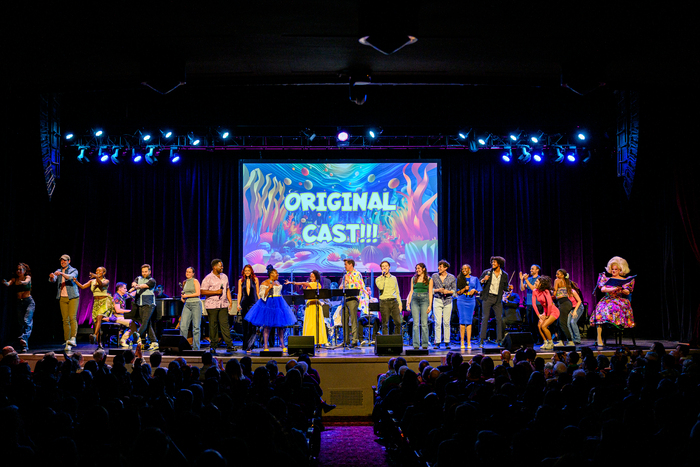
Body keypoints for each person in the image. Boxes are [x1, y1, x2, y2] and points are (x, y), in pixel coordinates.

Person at [245, 266, 296, 351]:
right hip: (269, 303)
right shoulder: (265, 283)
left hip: (279, 303)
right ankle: (265, 345)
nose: (278, 274)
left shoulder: (278, 282)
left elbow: (279, 293)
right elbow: (262, 295)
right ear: (271, 274)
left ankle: (282, 345)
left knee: (280, 326)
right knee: (267, 326)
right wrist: (269, 287)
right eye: (276, 273)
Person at [590, 256, 635, 347]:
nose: (614, 271)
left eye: (616, 269)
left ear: (620, 270)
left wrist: (621, 288)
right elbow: (603, 289)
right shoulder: (606, 279)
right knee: (600, 310)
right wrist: (614, 288)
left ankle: (618, 325)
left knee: (616, 307)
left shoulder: (624, 280)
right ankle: (599, 337)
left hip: (619, 300)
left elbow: (627, 292)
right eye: (612, 269)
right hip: (607, 299)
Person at [75, 267, 115, 349]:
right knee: (96, 323)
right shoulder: (91, 281)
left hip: (104, 302)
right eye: (96, 270)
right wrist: (75, 281)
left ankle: (93, 335)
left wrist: (96, 277)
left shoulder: (106, 281)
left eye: (100, 271)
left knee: (99, 317)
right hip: (96, 302)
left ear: (104, 273)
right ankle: (99, 343)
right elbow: (82, 287)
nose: (97, 272)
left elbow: (101, 285)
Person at [201, 259, 236, 353]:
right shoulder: (208, 278)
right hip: (212, 305)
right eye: (221, 266)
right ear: (214, 267)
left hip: (223, 304)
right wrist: (216, 292)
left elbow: (227, 289)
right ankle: (213, 345)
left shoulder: (224, 277)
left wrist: (230, 301)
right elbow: (202, 291)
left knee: (225, 324)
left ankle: (229, 345)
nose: (222, 267)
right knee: (213, 325)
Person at [286, 270, 328, 346]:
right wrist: (305, 288)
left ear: (316, 277)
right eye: (310, 276)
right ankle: (310, 341)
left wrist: (292, 282)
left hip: (315, 305)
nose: (311, 278)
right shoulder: (310, 284)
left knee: (316, 324)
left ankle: (319, 341)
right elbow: (307, 294)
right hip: (309, 305)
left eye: (313, 276)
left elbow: (303, 283)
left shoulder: (316, 284)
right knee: (309, 324)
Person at [49, 254, 80, 350]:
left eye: (65, 261)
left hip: (73, 297)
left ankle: (73, 338)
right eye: (61, 261)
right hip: (62, 297)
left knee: (72, 317)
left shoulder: (73, 270)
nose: (63, 262)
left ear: (69, 261)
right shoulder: (58, 270)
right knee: (65, 320)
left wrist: (62, 274)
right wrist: (51, 277)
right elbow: (53, 280)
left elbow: (71, 277)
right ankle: (67, 340)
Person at [478, 256, 509, 347]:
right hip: (487, 298)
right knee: (485, 318)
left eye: (494, 262)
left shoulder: (504, 275)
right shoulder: (486, 272)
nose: (493, 263)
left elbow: (505, 288)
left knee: (499, 319)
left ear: (499, 264)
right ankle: (481, 340)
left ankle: (499, 340)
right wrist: (484, 280)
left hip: (498, 299)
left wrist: (509, 288)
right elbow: (479, 283)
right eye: (492, 262)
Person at [3, 263, 34, 352]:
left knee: (26, 321)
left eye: (21, 269)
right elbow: (8, 284)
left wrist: (22, 282)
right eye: (18, 269)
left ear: (25, 271)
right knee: (21, 324)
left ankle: (23, 338)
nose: (19, 271)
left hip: (29, 302)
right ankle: (24, 346)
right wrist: (5, 282)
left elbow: (26, 282)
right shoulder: (14, 279)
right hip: (19, 303)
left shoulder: (27, 277)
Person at [130, 264, 159, 351]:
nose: (144, 273)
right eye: (143, 272)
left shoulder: (152, 280)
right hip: (140, 304)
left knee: (145, 322)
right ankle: (152, 342)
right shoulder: (138, 278)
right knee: (147, 323)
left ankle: (138, 334)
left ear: (150, 271)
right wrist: (133, 285)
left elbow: (144, 286)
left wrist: (137, 286)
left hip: (149, 304)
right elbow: (134, 283)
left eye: (146, 271)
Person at [429, 260, 456, 349]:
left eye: (440, 267)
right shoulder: (434, 276)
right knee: (437, 322)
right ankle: (437, 342)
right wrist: (438, 290)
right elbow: (431, 290)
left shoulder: (452, 277)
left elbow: (455, 292)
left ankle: (447, 341)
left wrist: (447, 291)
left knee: (446, 322)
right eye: (438, 266)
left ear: (445, 268)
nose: (438, 268)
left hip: (448, 300)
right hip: (437, 300)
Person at [339, 259, 367, 347]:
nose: (345, 266)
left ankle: (355, 340)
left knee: (354, 320)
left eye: (346, 264)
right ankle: (346, 340)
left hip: (353, 299)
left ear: (351, 264)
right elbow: (341, 287)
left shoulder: (357, 274)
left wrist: (349, 281)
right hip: (345, 299)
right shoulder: (345, 276)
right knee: (344, 320)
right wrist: (345, 282)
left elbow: (360, 286)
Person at [455, 264, 482, 350]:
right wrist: (464, 289)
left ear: (469, 269)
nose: (464, 270)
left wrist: (474, 290)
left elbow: (479, 291)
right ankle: (462, 341)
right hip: (462, 299)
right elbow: (457, 292)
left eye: (466, 269)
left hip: (471, 301)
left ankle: (469, 342)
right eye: (463, 269)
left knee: (469, 321)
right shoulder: (459, 279)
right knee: (462, 321)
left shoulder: (475, 279)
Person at [406, 262, 432, 349]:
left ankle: (425, 343)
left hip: (425, 299)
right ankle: (416, 344)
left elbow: (430, 293)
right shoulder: (413, 279)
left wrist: (430, 305)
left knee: (424, 323)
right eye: (416, 268)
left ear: (424, 269)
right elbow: (411, 291)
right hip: (415, 299)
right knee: (415, 323)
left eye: (419, 268)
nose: (417, 270)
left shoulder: (429, 279)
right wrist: (408, 303)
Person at [553, 269, 583, 346]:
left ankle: (571, 340)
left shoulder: (557, 281)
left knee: (566, 323)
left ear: (563, 275)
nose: (556, 276)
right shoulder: (565, 285)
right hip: (568, 306)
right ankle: (560, 341)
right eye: (556, 274)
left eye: (558, 274)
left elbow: (555, 292)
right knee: (560, 322)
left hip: (572, 306)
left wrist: (550, 294)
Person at [375, 261, 402, 337]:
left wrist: (400, 304)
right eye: (383, 266)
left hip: (394, 302)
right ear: (381, 268)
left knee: (398, 322)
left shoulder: (394, 278)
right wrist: (383, 277)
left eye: (386, 266)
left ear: (389, 267)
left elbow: (397, 292)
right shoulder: (378, 279)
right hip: (384, 302)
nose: (384, 267)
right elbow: (381, 287)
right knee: (385, 323)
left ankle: (396, 340)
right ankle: (386, 342)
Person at [532, 276, 560, 350]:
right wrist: (539, 315)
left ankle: (551, 343)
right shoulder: (535, 291)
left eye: (537, 281)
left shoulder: (546, 291)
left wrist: (547, 316)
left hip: (553, 311)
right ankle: (545, 342)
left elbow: (550, 304)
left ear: (541, 284)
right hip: (545, 311)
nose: (535, 282)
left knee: (544, 326)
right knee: (539, 325)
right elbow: (534, 304)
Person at [237, 265, 259, 352]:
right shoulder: (240, 281)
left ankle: (251, 345)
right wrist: (238, 304)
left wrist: (260, 303)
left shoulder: (255, 280)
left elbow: (257, 292)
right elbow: (239, 293)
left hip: (253, 303)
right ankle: (245, 345)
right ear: (243, 271)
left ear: (251, 271)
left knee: (252, 325)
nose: (247, 272)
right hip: (244, 303)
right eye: (245, 271)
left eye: (248, 270)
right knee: (245, 325)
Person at [180, 267, 202, 351]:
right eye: (186, 271)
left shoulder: (195, 281)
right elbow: (184, 293)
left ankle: (196, 348)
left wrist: (186, 296)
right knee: (183, 326)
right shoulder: (185, 282)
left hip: (195, 303)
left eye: (189, 272)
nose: (187, 273)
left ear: (193, 274)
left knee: (196, 327)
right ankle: (182, 347)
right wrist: (183, 298)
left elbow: (198, 293)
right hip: (187, 304)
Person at [112, 282, 136, 347]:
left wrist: (138, 288)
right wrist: (130, 311)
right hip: (117, 316)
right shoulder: (116, 297)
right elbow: (118, 310)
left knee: (135, 323)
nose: (126, 290)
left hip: (122, 316)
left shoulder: (122, 296)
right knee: (133, 323)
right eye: (124, 288)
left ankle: (124, 338)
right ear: (119, 289)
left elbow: (132, 294)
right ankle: (123, 339)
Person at [519, 264, 541, 336]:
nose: (530, 270)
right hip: (529, 303)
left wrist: (526, 280)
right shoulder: (529, 279)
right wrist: (521, 280)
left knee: (535, 321)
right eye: (531, 269)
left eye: (532, 269)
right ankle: (534, 337)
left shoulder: (539, 279)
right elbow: (522, 289)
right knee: (529, 322)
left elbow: (533, 289)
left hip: (537, 303)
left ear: (537, 270)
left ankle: (540, 338)